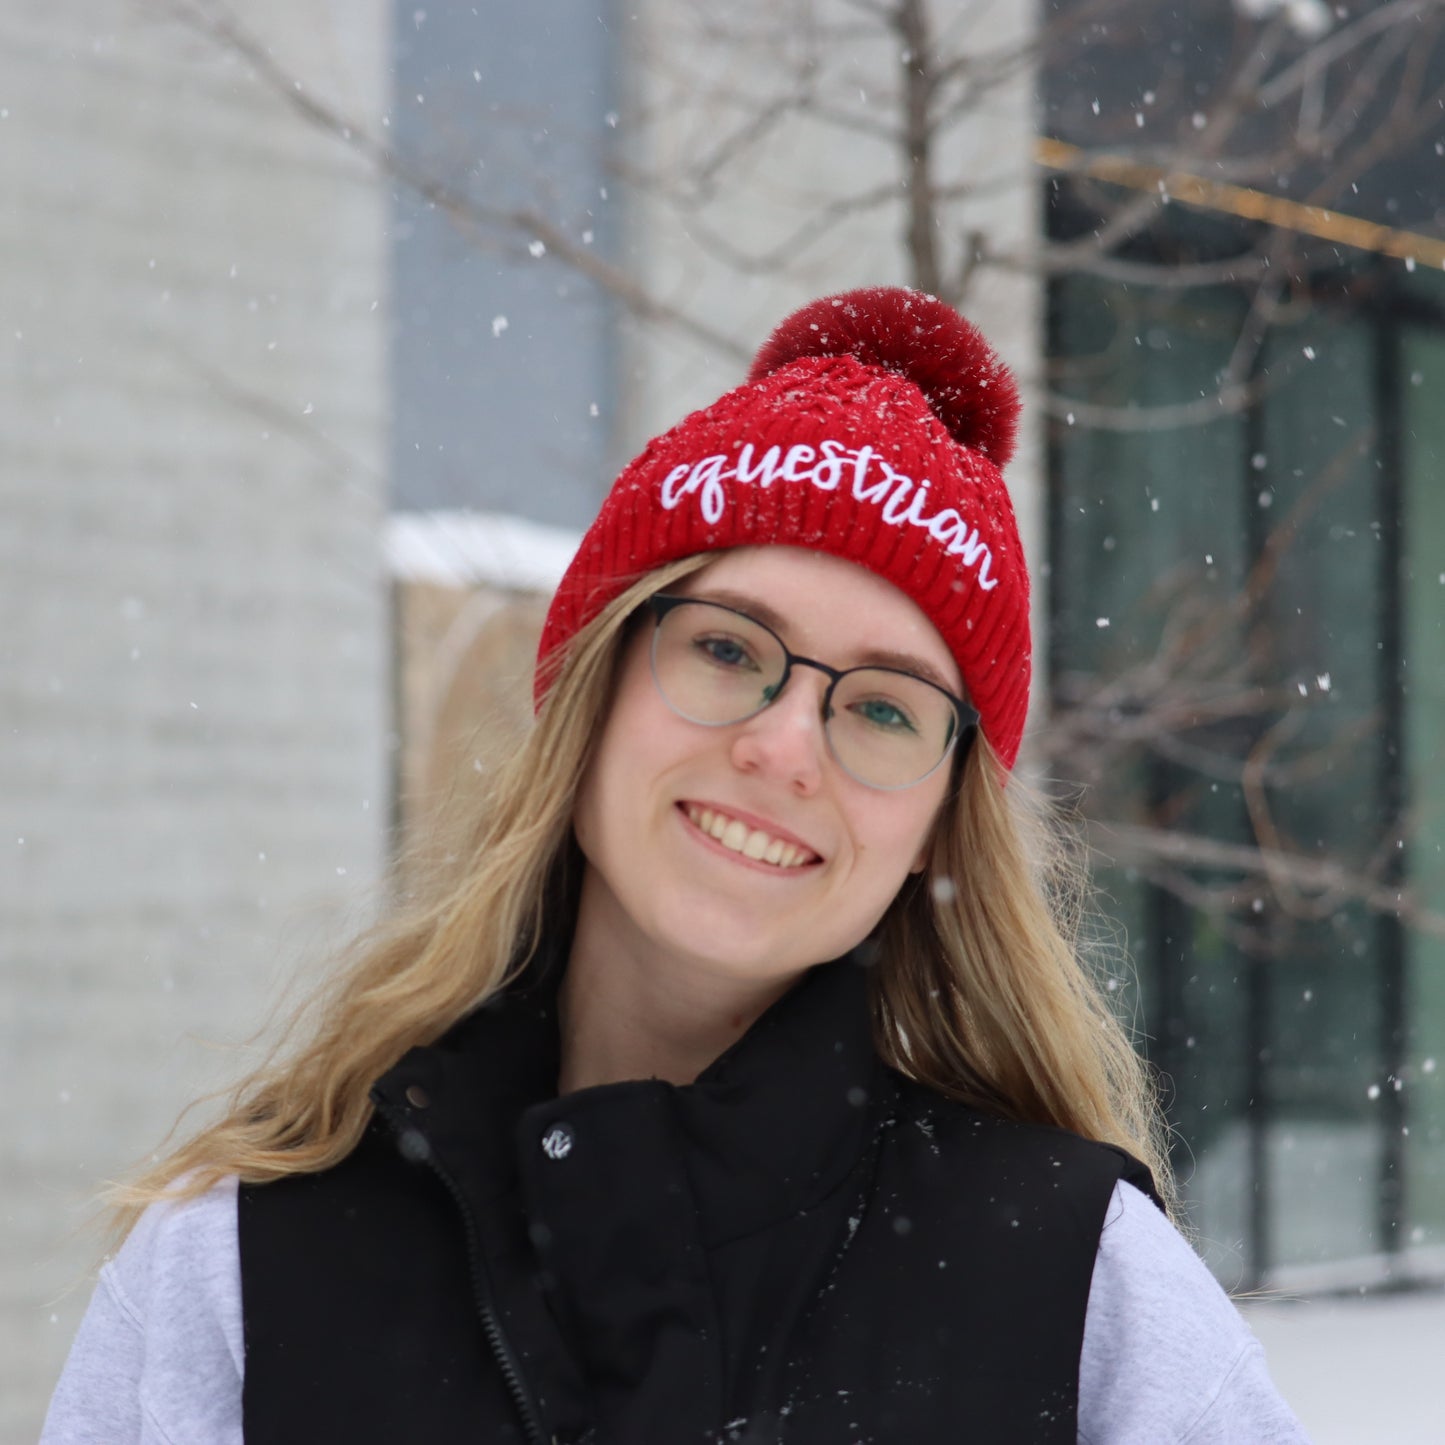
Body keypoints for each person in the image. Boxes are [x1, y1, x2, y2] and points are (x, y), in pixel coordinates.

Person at [42, 287, 1309, 1444]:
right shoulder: (246, 1263)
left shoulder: (1077, 1288)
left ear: (936, 820)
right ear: (590, 691)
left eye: (881, 708)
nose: (781, 745)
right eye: (725, 647)